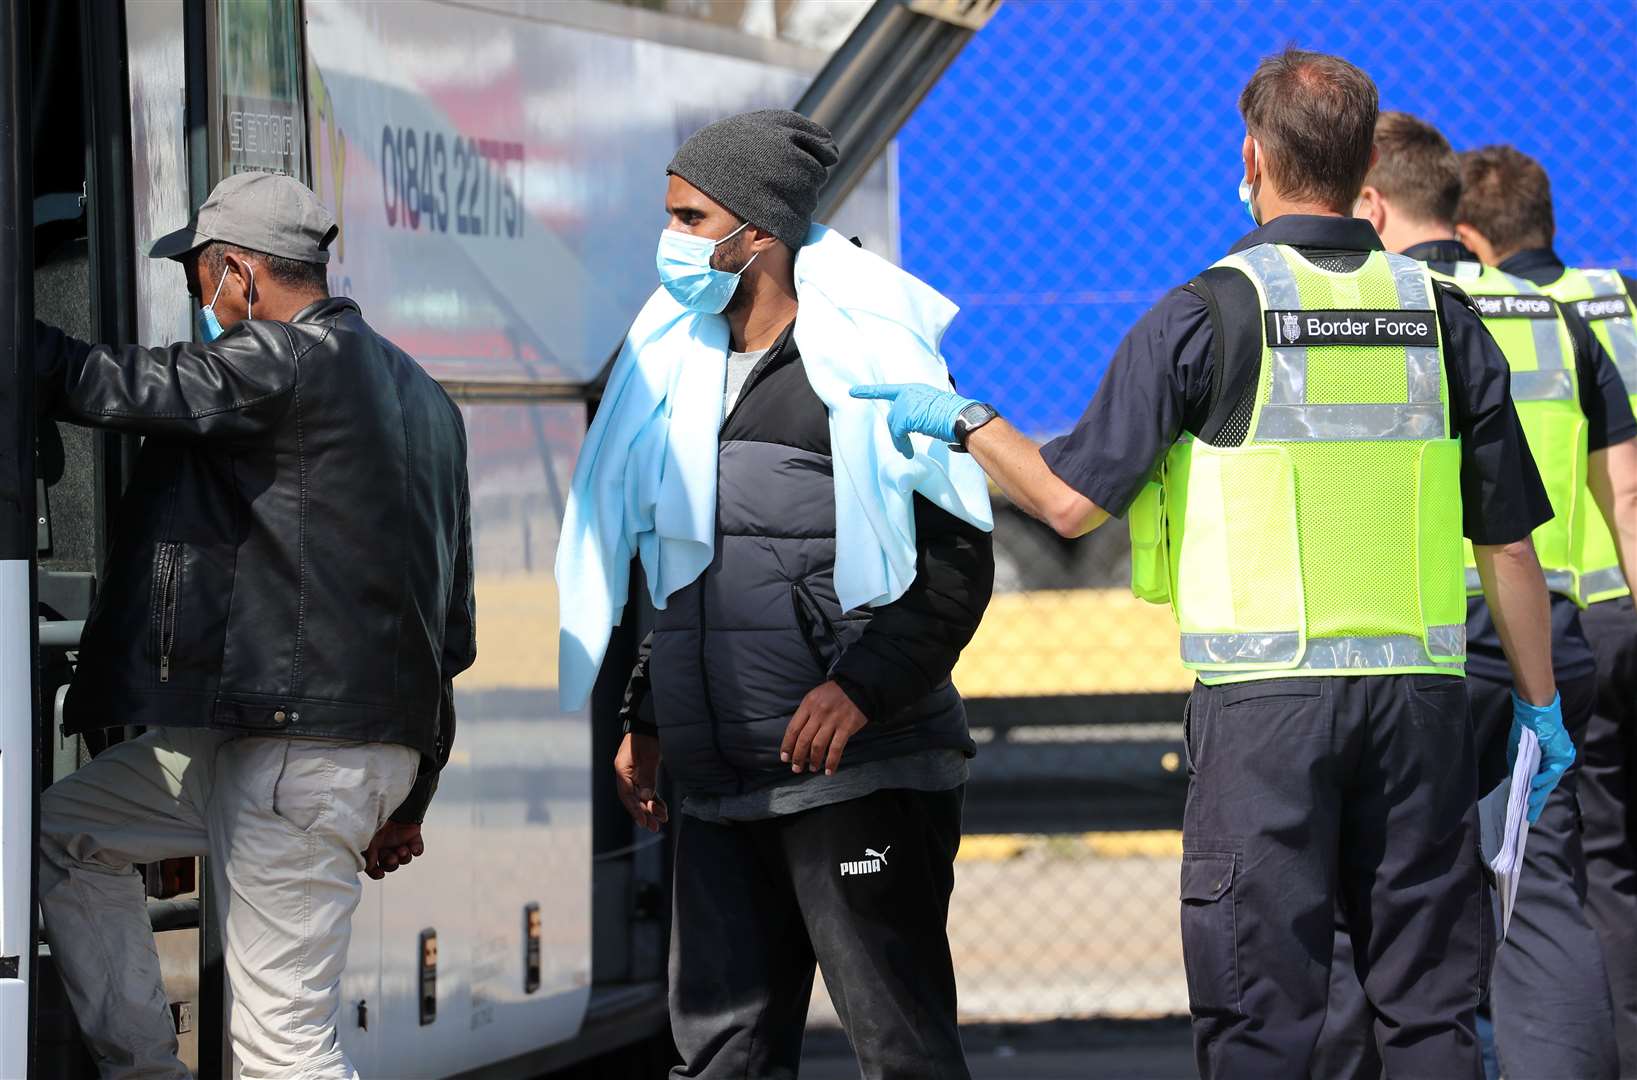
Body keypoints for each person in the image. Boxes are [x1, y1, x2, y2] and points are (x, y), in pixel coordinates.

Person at [852, 50, 1569, 1079]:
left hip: (1265, 715)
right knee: (1427, 1012)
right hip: (1418, 709)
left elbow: (1063, 499)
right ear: (1363, 163)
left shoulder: (1207, 312)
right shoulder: (1440, 317)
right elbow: (1504, 542)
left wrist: (963, 419)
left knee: (1258, 1015)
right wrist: (1539, 716)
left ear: (1253, 157)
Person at [554, 110, 994, 1079]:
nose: (669, 241)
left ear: (756, 233)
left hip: (857, 773)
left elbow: (958, 558)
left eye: (689, 216)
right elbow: (677, 561)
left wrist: (861, 690)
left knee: (901, 1052)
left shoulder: (870, 368)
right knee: (719, 1062)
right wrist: (650, 711)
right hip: (718, 782)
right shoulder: (672, 369)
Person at [33, 172, 475, 1080]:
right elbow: (451, 630)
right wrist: (411, 791)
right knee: (68, 831)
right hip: (317, 749)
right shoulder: (427, 399)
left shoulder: (280, 360)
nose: (206, 307)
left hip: (291, 753)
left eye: (200, 283)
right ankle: (144, 1068)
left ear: (236, 271)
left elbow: (110, 383)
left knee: (283, 1047)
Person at [1319, 111, 1636, 1080]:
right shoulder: (1557, 317)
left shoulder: (1375, 311)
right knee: (1551, 888)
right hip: (1549, 632)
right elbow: (1619, 486)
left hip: (1407, 643)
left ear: (1370, 201)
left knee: (1374, 901)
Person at [1453, 143, 1637, 1076]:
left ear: (1467, 233)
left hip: (1503, 626)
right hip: (1599, 617)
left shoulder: (1452, 314)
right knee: (1585, 877)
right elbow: (1627, 491)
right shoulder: (1605, 306)